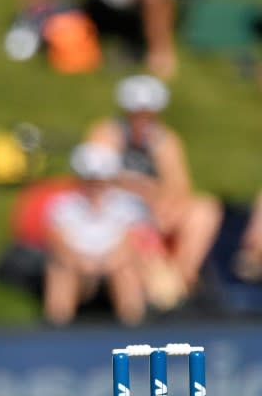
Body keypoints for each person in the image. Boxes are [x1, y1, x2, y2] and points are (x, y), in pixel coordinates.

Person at [85, 74, 222, 297]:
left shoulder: (165, 140)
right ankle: (158, 287)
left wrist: (162, 207)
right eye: (137, 113)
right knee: (129, 221)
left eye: (148, 114)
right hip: (117, 211)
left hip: (153, 209)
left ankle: (183, 276)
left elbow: (180, 186)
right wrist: (137, 187)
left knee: (204, 209)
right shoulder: (106, 133)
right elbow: (96, 179)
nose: (142, 119)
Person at [42, 142, 182, 326]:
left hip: (115, 264)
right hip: (77, 266)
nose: (94, 185)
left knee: (125, 271)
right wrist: (83, 265)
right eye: (90, 179)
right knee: (60, 272)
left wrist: (105, 264)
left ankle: (132, 326)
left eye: (99, 180)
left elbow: (129, 245)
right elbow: (58, 243)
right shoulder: (62, 205)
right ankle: (57, 329)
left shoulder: (128, 205)